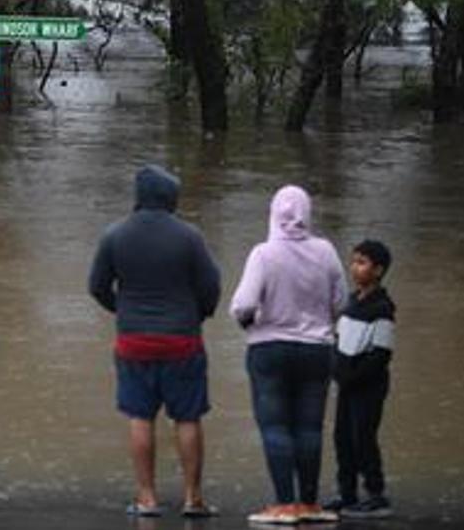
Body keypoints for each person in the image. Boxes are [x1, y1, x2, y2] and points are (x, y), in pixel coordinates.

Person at [88, 164, 221, 519]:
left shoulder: (115, 235)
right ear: (170, 197)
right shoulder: (190, 236)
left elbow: (96, 287)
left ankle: (147, 499)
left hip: (133, 342)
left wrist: (122, 310)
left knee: (140, 417)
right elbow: (211, 287)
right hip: (182, 340)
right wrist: (198, 315)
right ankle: (193, 498)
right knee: (188, 417)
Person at [229, 185, 345, 525]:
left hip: (270, 349)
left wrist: (249, 322)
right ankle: (310, 504)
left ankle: (283, 505)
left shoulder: (264, 254)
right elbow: (341, 301)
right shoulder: (326, 251)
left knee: (275, 425)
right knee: (310, 427)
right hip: (318, 350)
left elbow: (244, 304)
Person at [325, 240, 396, 519]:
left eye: (362, 262)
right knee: (342, 437)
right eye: (353, 261)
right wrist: (336, 370)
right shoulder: (351, 302)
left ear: (378, 270)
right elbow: (339, 340)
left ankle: (376, 495)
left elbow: (381, 354)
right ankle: (347, 493)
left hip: (369, 386)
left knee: (363, 437)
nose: (355, 267)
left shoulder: (383, 309)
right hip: (347, 383)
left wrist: (352, 377)